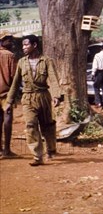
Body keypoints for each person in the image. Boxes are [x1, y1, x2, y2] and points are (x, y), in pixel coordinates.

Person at [6, 34, 63, 166]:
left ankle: (51, 149)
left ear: (34, 45)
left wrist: (56, 95)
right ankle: (37, 156)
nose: (24, 47)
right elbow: (15, 83)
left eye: (26, 45)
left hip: (43, 96)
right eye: (23, 45)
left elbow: (53, 79)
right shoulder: (21, 62)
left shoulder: (47, 61)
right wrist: (9, 101)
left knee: (47, 125)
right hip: (27, 97)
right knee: (30, 125)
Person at [0, 31, 17, 158]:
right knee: (7, 120)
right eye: (9, 40)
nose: (12, 42)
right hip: (6, 94)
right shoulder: (10, 56)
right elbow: (14, 76)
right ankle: (7, 150)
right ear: (2, 41)